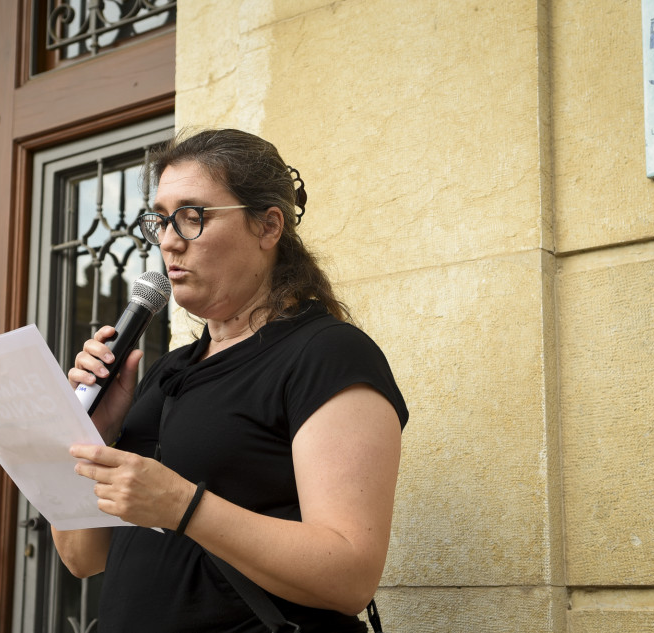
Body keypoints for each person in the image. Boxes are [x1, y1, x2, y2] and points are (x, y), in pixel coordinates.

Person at [54, 128, 408, 632]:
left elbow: (350, 574)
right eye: (160, 219)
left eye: (192, 217)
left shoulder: (327, 354)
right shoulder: (166, 372)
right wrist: (90, 434)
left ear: (267, 227)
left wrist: (182, 504)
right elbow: (82, 556)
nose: (169, 240)